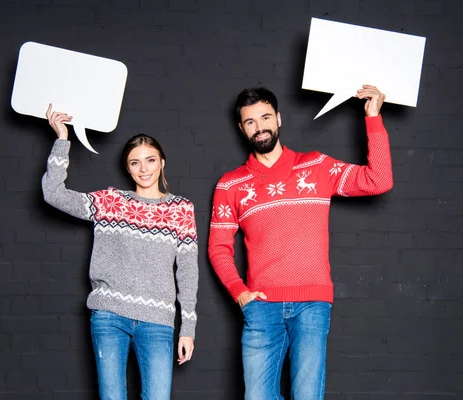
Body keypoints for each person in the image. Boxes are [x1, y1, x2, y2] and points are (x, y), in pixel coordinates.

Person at [208, 86, 393, 399]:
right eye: (250, 122)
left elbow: (379, 180)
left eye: (265, 117)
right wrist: (239, 293)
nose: (259, 126)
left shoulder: (316, 166)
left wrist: (373, 118)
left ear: (278, 119)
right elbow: (218, 247)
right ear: (241, 128)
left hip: (312, 304)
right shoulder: (230, 184)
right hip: (261, 307)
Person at [41, 105, 198, 400]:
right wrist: (62, 139)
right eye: (135, 162)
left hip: (158, 320)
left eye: (150, 160)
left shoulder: (180, 209)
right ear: (127, 168)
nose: (144, 169)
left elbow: (188, 272)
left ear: (162, 162)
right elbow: (53, 194)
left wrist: (187, 328)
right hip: (110, 316)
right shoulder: (111, 202)